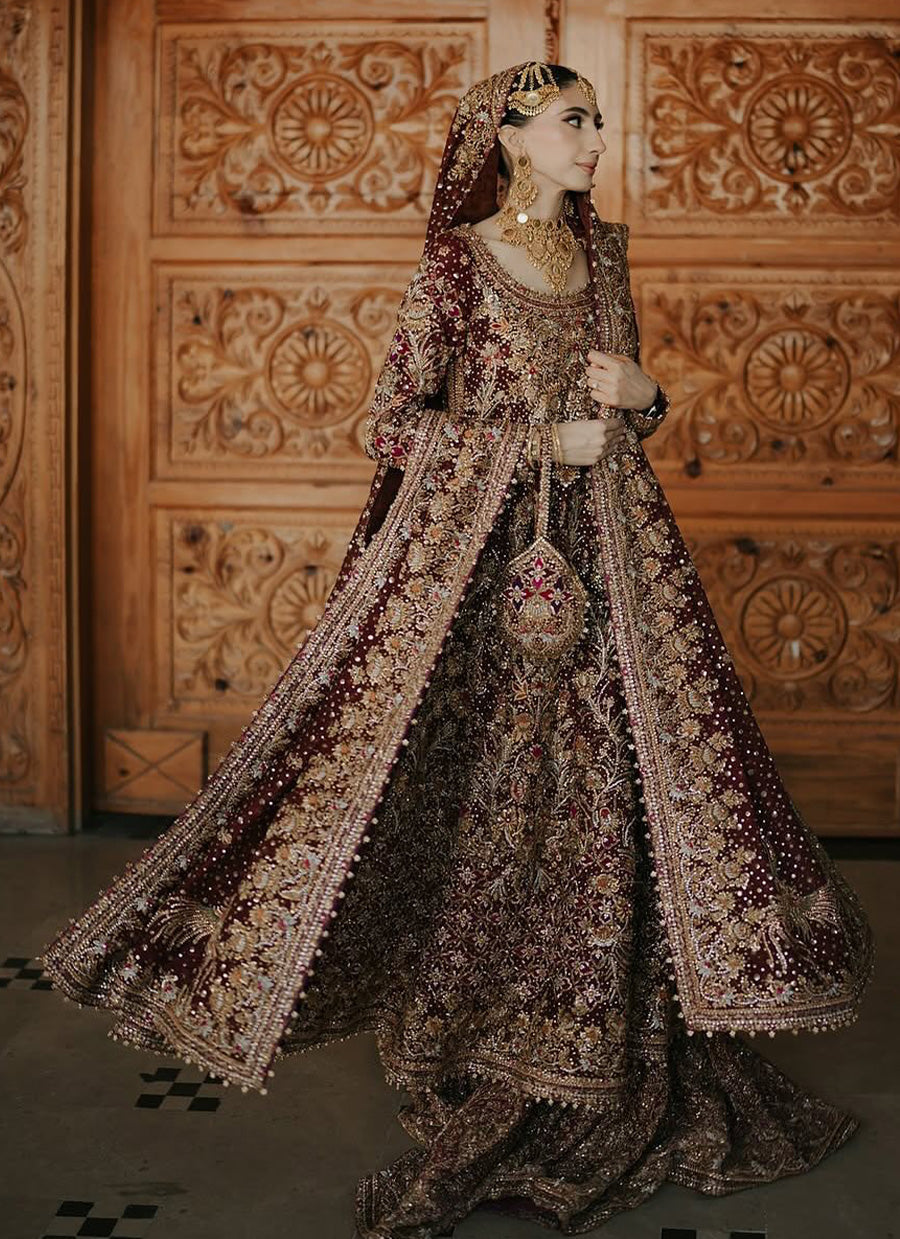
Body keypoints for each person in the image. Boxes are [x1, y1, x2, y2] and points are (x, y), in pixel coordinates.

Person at [41, 61, 874, 1238]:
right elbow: (392, 423)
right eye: (573, 121)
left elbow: (622, 423)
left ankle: (609, 1044)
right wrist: (540, 444)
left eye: (597, 120)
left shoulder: (605, 254)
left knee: (619, 800)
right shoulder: (458, 264)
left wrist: (647, 396)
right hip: (485, 596)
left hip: (617, 581)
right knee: (485, 800)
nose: (596, 139)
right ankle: (484, 1037)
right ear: (512, 138)